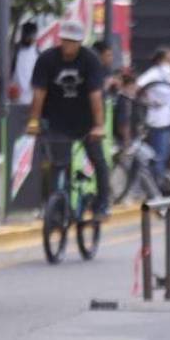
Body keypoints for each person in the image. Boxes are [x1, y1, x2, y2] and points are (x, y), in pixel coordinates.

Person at [25, 20, 110, 217]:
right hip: (58, 119)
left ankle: (103, 203)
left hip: (86, 120)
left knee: (98, 159)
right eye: (65, 40)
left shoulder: (91, 60)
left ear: (80, 42)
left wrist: (98, 126)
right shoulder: (47, 59)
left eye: (73, 42)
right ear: (60, 39)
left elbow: (95, 95)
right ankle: (57, 208)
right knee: (59, 163)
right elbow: (39, 93)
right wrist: (34, 121)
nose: (68, 46)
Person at [136, 47, 170, 178]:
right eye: (168, 57)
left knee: (167, 155)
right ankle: (155, 186)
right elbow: (138, 86)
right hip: (157, 121)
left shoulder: (169, 74)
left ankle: (162, 184)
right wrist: (148, 101)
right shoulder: (153, 73)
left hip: (168, 120)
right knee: (158, 155)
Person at [12, 21, 39, 104]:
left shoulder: (37, 52)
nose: (31, 38)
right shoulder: (14, 51)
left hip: (31, 100)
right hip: (15, 99)